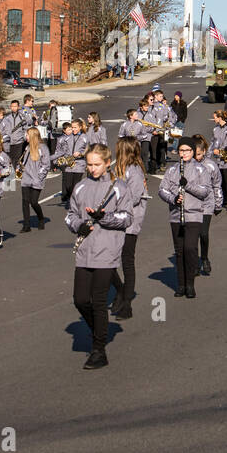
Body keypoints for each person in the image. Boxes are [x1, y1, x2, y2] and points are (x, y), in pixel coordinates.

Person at [67, 144, 133, 370]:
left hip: (107, 249)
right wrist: (79, 225)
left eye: (97, 164)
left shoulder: (119, 187)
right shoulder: (80, 186)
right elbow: (70, 216)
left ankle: (99, 349)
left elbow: (127, 218)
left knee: (98, 300)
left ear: (107, 163)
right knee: (80, 299)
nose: (92, 168)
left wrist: (104, 217)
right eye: (89, 164)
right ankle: (98, 330)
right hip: (85, 250)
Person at [158, 137, 209, 297]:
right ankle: (181, 285)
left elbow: (204, 191)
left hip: (194, 214)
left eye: (187, 150)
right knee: (179, 251)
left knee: (190, 248)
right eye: (181, 150)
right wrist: (173, 198)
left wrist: (188, 185)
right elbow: (162, 190)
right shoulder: (172, 170)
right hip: (176, 215)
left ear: (193, 152)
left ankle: (190, 284)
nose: (184, 153)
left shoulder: (201, 169)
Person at [108, 137, 147, 319]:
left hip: (130, 222)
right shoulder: (118, 169)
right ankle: (121, 291)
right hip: (117, 220)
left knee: (127, 261)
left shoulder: (134, 171)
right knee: (108, 260)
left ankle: (127, 304)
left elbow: (135, 197)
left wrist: (114, 206)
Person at [192, 135, 223, 276]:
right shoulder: (187, 165)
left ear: (204, 151)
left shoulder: (211, 165)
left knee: (203, 233)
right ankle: (194, 263)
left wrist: (218, 204)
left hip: (207, 204)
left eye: (199, 154)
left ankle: (204, 258)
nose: (197, 157)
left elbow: (217, 186)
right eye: (194, 154)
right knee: (193, 236)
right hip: (191, 205)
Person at [18, 127, 51, 232]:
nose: (25, 137)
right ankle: (26, 226)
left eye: (27, 135)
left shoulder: (43, 148)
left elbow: (46, 165)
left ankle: (41, 218)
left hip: (36, 179)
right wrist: (20, 168)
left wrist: (39, 177)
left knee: (33, 202)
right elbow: (25, 162)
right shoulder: (27, 148)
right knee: (24, 202)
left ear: (32, 136)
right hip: (26, 178)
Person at [62, 119, 89, 202]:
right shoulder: (67, 137)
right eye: (72, 127)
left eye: (75, 127)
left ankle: (75, 203)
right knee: (68, 186)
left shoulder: (85, 137)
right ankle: (73, 199)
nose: (73, 129)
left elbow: (88, 149)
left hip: (79, 163)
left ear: (80, 127)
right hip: (69, 163)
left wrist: (81, 154)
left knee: (75, 185)